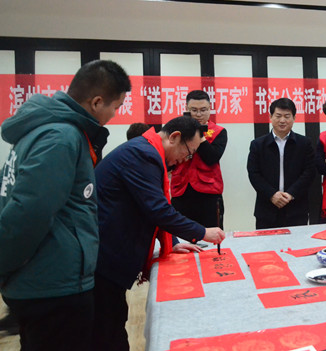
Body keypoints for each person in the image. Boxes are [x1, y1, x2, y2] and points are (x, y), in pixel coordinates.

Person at [0, 60, 131, 351]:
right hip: (53, 286)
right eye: (116, 107)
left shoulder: (44, 130)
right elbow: (28, 213)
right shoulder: (61, 137)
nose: (114, 115)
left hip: (45, 279)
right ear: (97, 102)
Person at [91, 116, 225, 350]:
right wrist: (203, 232)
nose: (186, 159)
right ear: (174, 137)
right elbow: (158, 210)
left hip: (109, 252)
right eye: (189, 152)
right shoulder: (144, 155)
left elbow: (153, 204)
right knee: (108, 329)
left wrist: (172, 241)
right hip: (105, 254)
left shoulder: (146, 150)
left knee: (113, 322)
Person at [247, 98, 315, 229]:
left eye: (287, 116)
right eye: (278, 116)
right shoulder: (258, 144)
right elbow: (254, 173)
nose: (282, 120)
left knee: (297, 242)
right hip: (267, 209)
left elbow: (309, 172)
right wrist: (272, 194)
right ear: (271, 117)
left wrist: (290, 194)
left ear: (294, 118)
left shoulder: (304, 143)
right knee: (266, 242)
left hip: (296, 209)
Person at [171, 90, 227, 229]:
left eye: (203, 110)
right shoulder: (176, 130)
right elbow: (168, 159)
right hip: (181, 191)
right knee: (180, 235)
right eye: (194, 110)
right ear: (186, 109)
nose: (199, 114)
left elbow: (211, 158)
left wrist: (198, 134)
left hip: (209, 194)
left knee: (211, 236)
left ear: (209, 109)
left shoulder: (219, 131)